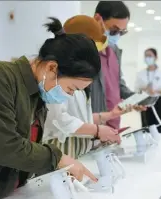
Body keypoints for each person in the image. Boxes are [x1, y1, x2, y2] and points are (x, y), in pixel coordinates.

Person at [0, 17, 100, 199]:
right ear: (52, 67)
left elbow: (26, 148)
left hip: (9, 190)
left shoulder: (38, 97)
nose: (68, 96)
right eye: (71, 89)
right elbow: (2, 146)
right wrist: (57, 158)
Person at [44, 15, 130, 158]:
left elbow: (80, 117)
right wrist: (96, 130)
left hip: (78, 155)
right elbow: (58, 119)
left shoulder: (78, 79)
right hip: (59, 155)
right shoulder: (56, 76)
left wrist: (109, 116)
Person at [91, 1, 146, 130]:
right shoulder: (86, 51)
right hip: (94, 125)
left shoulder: (114, 51)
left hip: (114, 123)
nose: (117, 36)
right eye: (114, 30)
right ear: (98, 19)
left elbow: (118, 85)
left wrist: (135, 99)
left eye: (122, 32)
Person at [135, 48, 161, 133]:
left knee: (160, 127)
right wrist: (144, 88)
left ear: (156, 57)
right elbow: (136, 89)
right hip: (145, 102)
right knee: (146, 127)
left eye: (150, 56)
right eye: (146, 56)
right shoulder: (141, 74)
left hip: (158, 102)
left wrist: (156, 91)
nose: (147, 58)